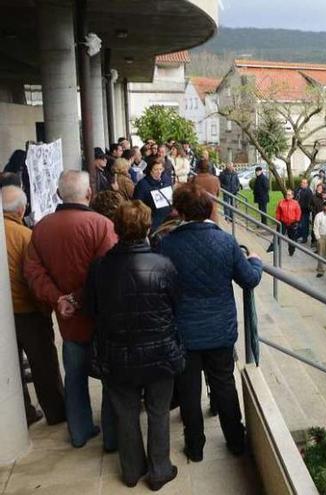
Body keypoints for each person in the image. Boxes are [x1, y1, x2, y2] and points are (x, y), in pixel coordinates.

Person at [82, 200, 184, 489]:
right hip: (158, 352)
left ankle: (132, 470)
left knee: (126, 413)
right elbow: (177, 305)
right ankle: (159, 469)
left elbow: (91, 309)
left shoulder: (100, 267)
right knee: (158, 410)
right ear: (147, 227)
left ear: (116, 229)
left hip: (118, 354)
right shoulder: (163, 265)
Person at [158, 183, 263, 462]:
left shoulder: (167, 244)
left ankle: (195, 446)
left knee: (189, 391)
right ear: (209, 209)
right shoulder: (226, 241)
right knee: (224, 385)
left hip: (184, 332)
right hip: (219, 331)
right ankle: (235, 441)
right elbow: (249, 279)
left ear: (179, 211)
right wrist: (256, 262)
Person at [25, 170, 117, 449]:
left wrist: (60, 299)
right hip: (101, 320)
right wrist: (76, 298)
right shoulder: (101, 225)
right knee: (111, 379)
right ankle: (112, 438)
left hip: (67, 322)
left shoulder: (41, 228)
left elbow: (32, 272)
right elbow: (109, 272)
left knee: (74, 379)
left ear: (57, 195)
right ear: (89, 194)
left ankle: (79, 432)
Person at [3, 186, 65, 426]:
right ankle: (56, 411)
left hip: (5, 313)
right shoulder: (24, 235)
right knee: (43, 364)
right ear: (22, 208)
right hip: (27, 311)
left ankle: (23, 413)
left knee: (10, 366)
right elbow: (34, 276)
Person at [133, 159, 173, 232]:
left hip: (167, 220)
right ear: (150, 170)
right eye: (156, 169)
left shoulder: (166, 180)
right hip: (153, 221)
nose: (159, 172)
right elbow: (137, 203)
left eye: (161, 169)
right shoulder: (142, 185)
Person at [274, 189, 301, 256]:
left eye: (289, 195)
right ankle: (272, 249)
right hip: (283, 222)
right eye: (286, 194)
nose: (287, 196)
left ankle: (291, 251)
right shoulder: (281, 202)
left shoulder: (295, 203)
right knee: (277, 236)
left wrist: (297, 221)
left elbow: (298, 212)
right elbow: (278, 212)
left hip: (292, 223)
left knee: (292, 238)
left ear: (292, 196)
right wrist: (278, 220)